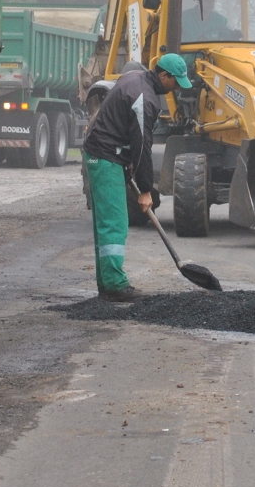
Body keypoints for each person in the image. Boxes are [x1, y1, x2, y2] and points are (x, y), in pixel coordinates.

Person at [82, 53, 193, 301]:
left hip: (102, 153)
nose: (176, 88)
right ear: (164, 75)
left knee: (105, 223)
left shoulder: (135, 77)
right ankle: (115, 285)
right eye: (175, 82)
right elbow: (142, 145)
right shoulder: (146, 99)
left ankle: (107, 282)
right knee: (115, 223)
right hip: (106, 156)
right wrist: (145, 190)